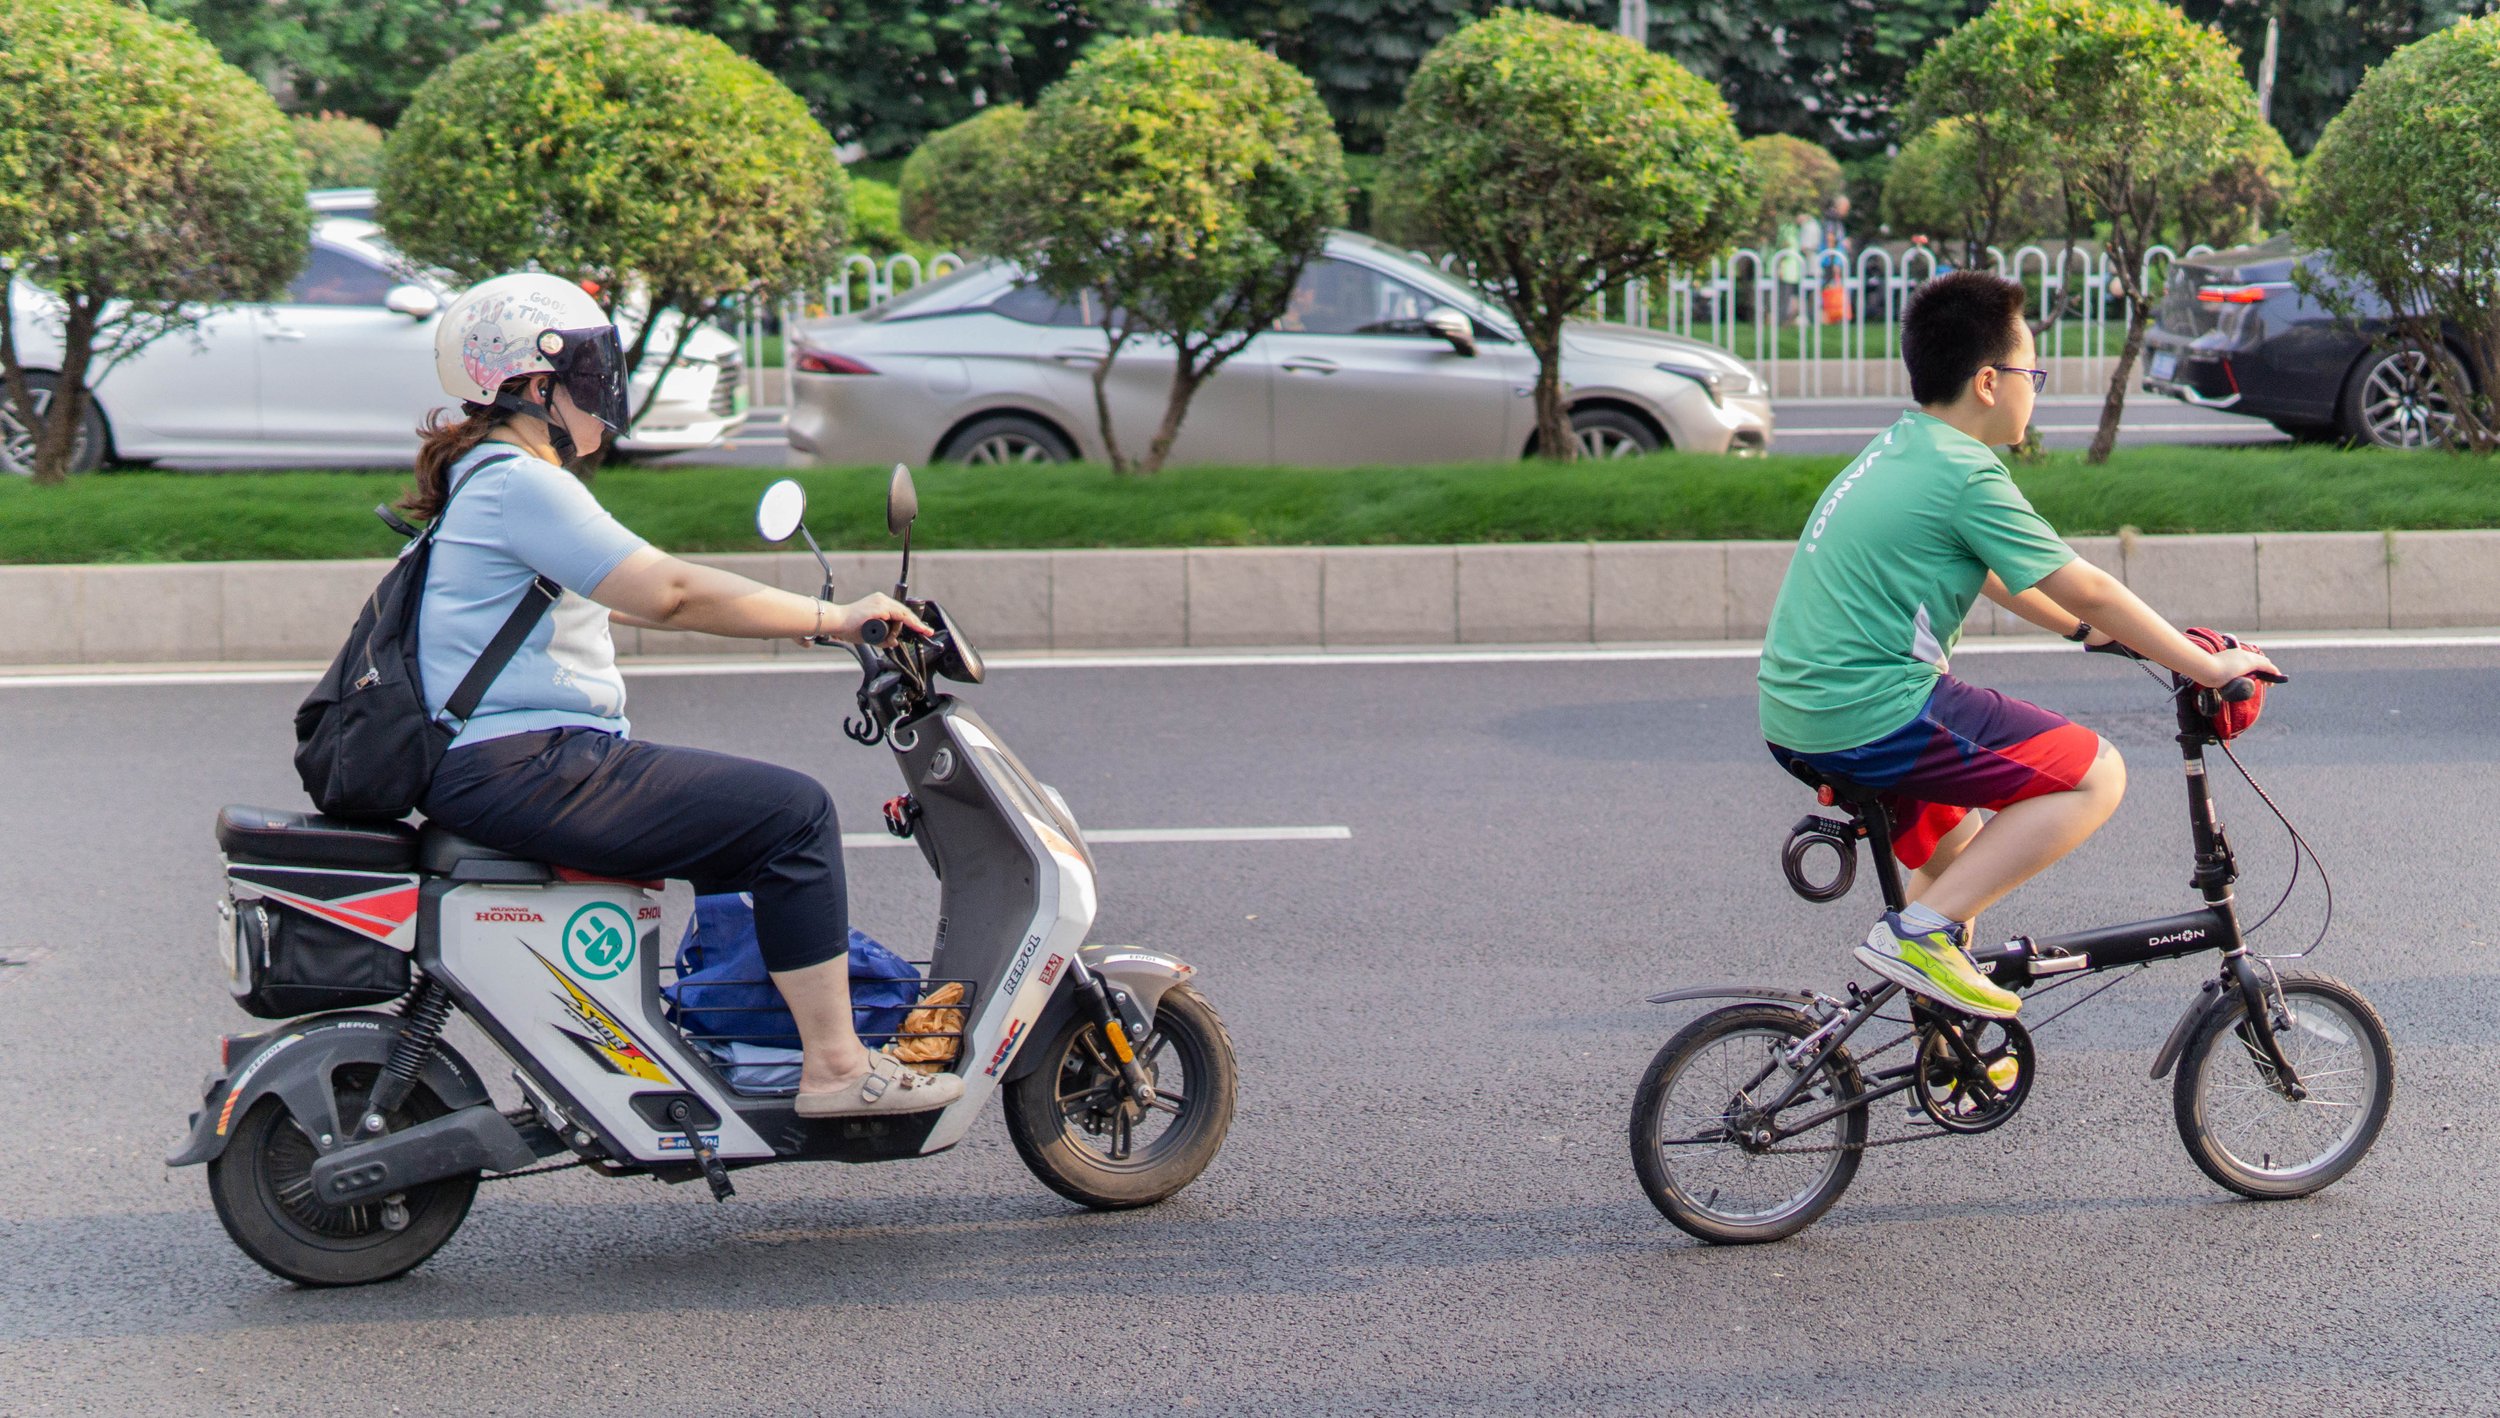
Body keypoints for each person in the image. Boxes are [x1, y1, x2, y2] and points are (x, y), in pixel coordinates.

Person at [410, 271, 961, 1117]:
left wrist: (810, 620)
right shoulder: (521, 483)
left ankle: (742, 1044)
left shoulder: (489, 478)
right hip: (525, 764)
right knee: (794, 815)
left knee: (739, 838)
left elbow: (633, 593)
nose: (605, 387)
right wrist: (837, 617)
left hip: (507, 762)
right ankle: (836, 1069)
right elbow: (668, 591)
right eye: (588, 369)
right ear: (535, 386)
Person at [1756, 271, 2279, 1018]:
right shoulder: (1966, 473)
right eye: (2032, 374)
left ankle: (1935, 1046)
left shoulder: (1906, 447)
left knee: (1961, 864)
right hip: (1871, 711)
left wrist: (2085, 633)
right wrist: (2207, 665)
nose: (2036, 390)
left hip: (1801, 712)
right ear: (1989, 381)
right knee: (2095, 774)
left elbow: (2000, 575)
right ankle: (1917, 939)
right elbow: (2087, 585)